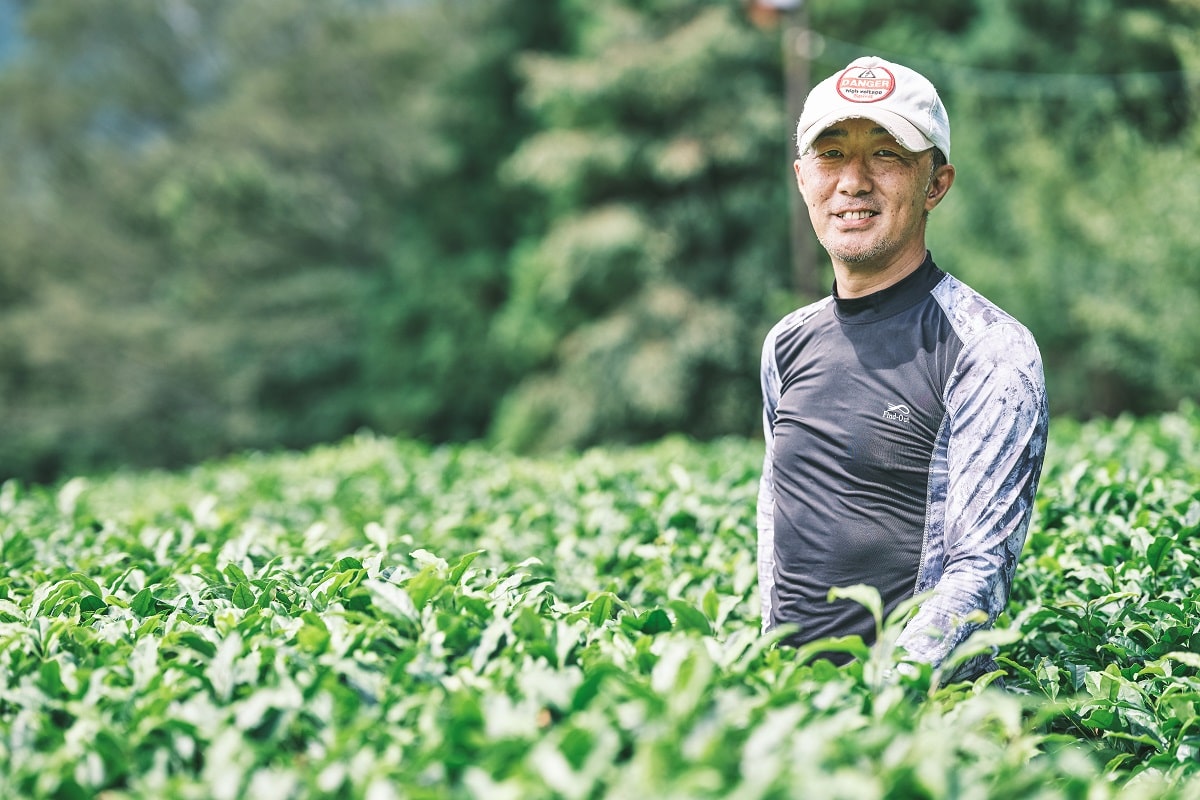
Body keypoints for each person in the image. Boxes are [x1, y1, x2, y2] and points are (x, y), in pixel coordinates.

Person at [756, 55, 1048, 681]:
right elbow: (773, 531)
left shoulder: (989, 350)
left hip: (910, 730)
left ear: (935, 184)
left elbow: (979, 573)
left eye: (886, 155)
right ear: (801, 176)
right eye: (831, 155)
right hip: (781, 721)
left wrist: (876, 705)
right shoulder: (786, 343)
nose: (853, 181)